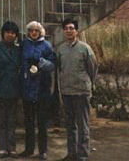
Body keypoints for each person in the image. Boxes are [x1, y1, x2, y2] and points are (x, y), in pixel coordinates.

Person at [57, 19, 98, 161]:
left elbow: (93, 68)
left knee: (83, 125)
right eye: (66, 28)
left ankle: (82, 154)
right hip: (67, 92)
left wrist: (88, 85)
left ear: (76, 31)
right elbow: (60, 69)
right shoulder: (61, 49)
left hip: (81, 92)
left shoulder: (85, 48)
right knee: (70, 126)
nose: (69, 31)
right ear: (63, 31)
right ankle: (71, 153)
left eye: (71, 28)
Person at [21, 20, 55, 161]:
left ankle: (43, 151)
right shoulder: (24, 45)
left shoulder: (46, 45)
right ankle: (29, 149)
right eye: (31, 31)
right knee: (28, 122)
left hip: (42, 88)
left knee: (42, 123)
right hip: (28, 88)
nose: (33, 33)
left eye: (36, 30)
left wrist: (40, 62)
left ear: (40, 32)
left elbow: (53, 64)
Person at [0, 20, 21, 158]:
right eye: (8, 32)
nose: (10, 35)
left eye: (13, 33)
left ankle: (12, 148)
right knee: (0, 122)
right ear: (3, 34)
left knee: (12, 122)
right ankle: (2, 147)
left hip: (14, 91)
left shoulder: (19, 50)